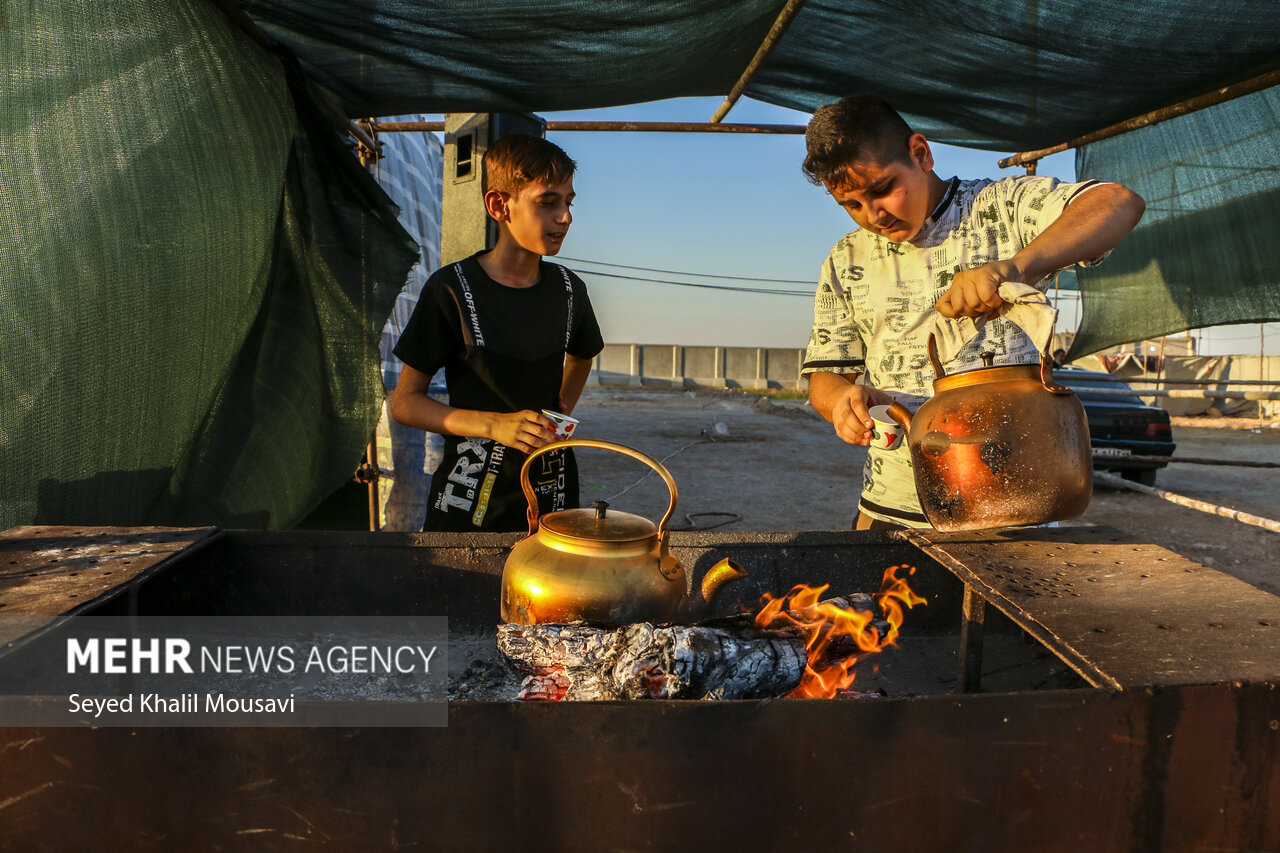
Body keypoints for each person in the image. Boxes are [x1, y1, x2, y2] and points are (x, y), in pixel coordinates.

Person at [800, 94, 1145, 530]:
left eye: (883, 189)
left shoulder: (1001, 207)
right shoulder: (845, 259)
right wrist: (841, 404)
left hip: (1014, 511)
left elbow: (1118, 202)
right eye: (851, 205)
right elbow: (825, 376)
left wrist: (1018, 267)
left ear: (920, 154)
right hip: (890, 511)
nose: (874, 215)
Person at [390, 134, 604, 532]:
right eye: (548, 202)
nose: (566, 217)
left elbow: (582, 355)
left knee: (550, 593)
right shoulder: (451, 289)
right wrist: (495, 425)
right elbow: (405, 404)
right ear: (499, 205)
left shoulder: (569, 290)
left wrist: (559, 414)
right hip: (468, 501)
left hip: (551, 498)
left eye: (569, 202)